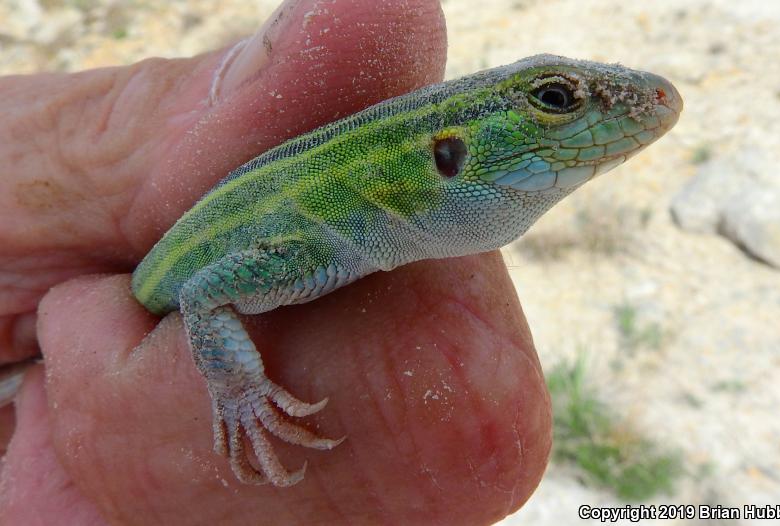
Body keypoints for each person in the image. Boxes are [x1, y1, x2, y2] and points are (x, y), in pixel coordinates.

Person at [0, 1, 551, 523]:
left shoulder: (359, 217)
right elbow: (202, 293)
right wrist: (239, 388)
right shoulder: (315, 242)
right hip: (123, 304)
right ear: (449, 152)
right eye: (555, 99)